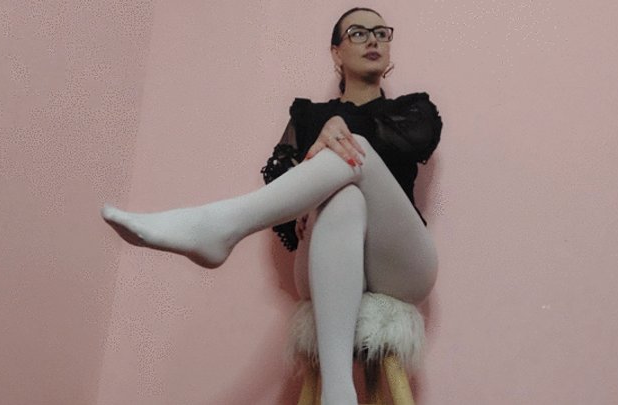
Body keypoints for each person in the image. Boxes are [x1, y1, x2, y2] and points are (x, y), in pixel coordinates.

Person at [101, 7, 442, 405]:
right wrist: (312, 177)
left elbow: (409, 143)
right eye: (358, 32)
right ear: (336, 51)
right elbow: (285, 208)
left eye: (381, 33)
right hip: (325, 258)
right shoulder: (307, 116)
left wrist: (336, 132)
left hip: (401, 265)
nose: (373, 40)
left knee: (356, 150)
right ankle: (338, 393)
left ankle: (222, 226)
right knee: (344, 198)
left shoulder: (412, 110)